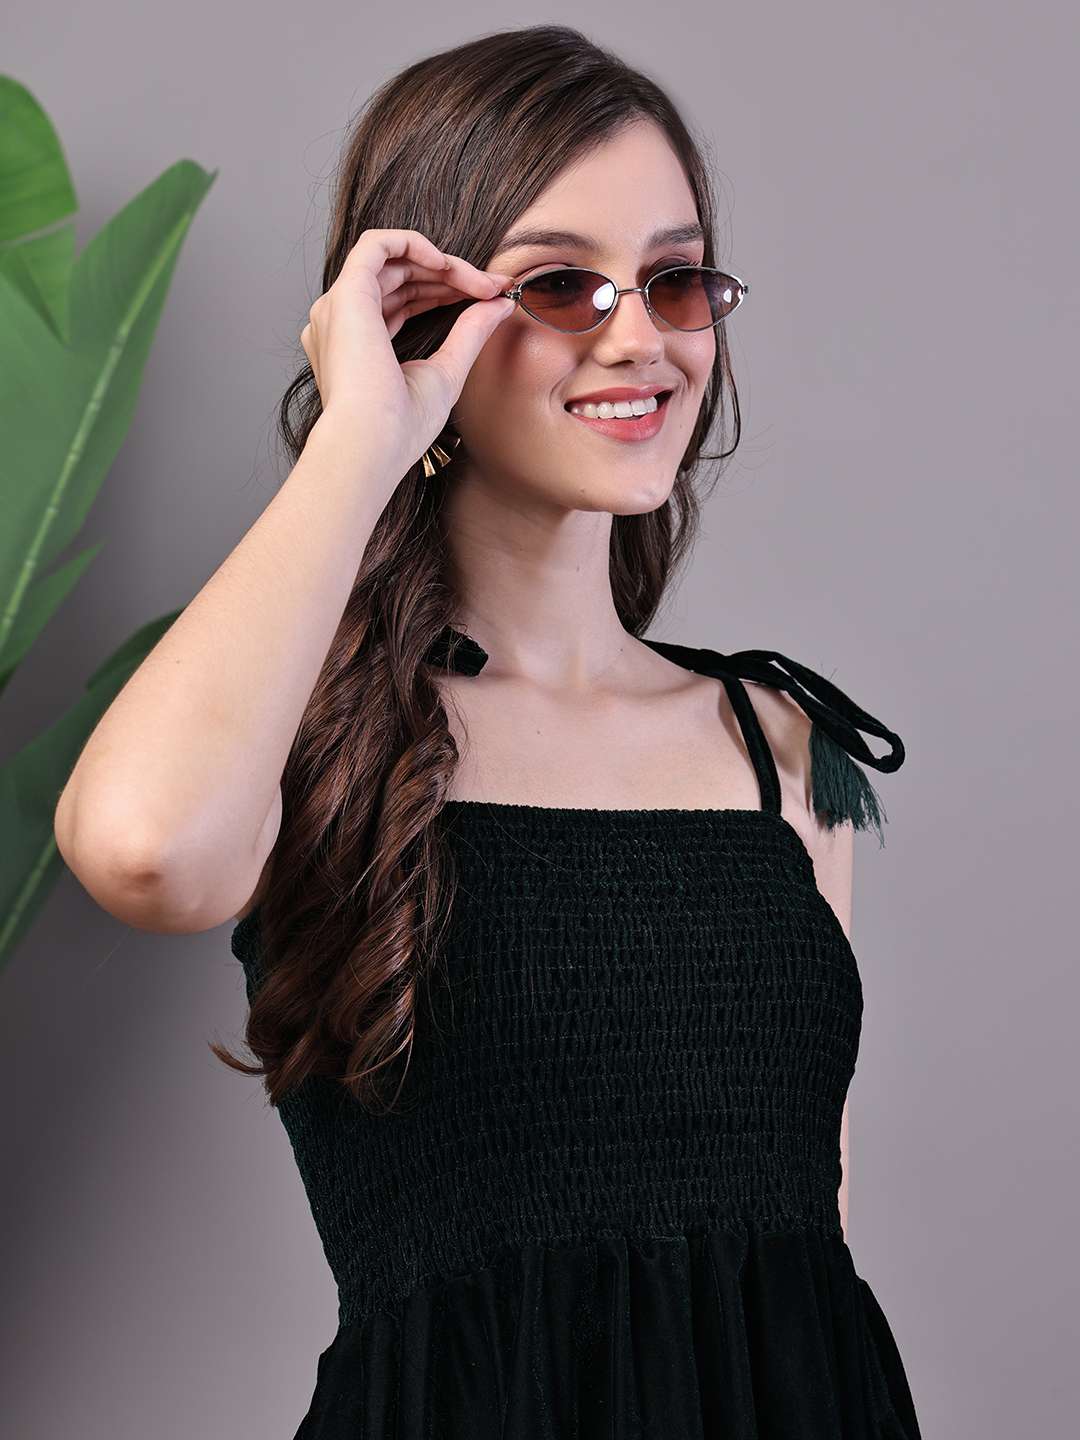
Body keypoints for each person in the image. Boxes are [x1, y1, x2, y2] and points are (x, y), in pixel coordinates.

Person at [54, 24, 923, 1439]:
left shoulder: (779, 744)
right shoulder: (317, 731)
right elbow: (146, 850)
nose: (639, 336)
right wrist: (362, 437)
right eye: (562, 284)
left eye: (676, 279)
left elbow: (811, 1243)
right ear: (424, 324)